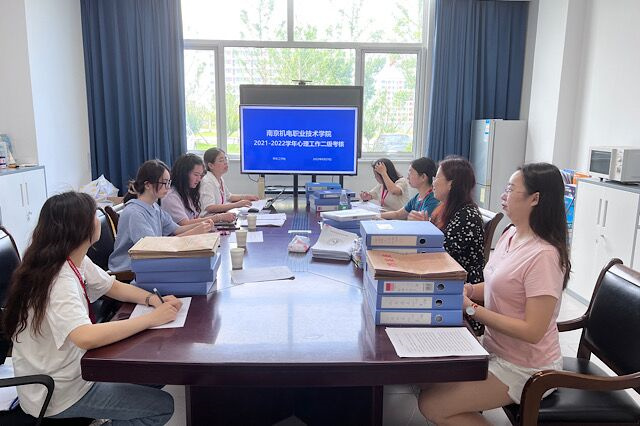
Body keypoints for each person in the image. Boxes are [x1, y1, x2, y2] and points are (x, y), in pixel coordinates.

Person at [3, 191, 180, 424]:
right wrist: (151, 319)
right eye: (93, 216)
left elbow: (112, 286)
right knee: (161, 406)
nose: (98, 219)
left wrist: (152, 299)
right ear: (80, 228)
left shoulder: (71, 259)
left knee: (156, 375)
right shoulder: (58, 280)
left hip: (77, 369)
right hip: (62, 391)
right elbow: (85, 337)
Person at [418, 163, 571, 426]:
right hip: (493, 348)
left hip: (526, 367)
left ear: (535, 198)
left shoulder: (544, 255)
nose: (503, 195)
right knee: (428, 378)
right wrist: (469, 289)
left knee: (432, 405)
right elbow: (498, 284)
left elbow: (532, 331)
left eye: (511, 189)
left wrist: (471, 308)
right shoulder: (511, 234)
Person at [108, 159, 213, 272]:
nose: (168, 187)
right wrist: (195, 231)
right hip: (129, 267)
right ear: (148, 185)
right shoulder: (135, 213)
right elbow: (153, 248)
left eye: (169, 183)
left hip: (147, 261)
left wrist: (202, 225)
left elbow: (176, 229)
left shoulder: (154, 206)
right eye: (164, 183)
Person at [430, 156, 485, 284]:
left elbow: (442, 251)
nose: (433, 183)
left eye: (437, 178)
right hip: (446, 272)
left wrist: (425, 228)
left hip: (462, 283)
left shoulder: (468, 216)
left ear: (451, 184)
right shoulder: (446, 208)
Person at [161, 153, 236, 225]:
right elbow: (185, 224)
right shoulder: (171, 196)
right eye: (196, 175)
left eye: (200, 175)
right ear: (184, 174)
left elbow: (195, 218)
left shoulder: (187, 192)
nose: (199, 179)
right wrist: (218, 218)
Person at [200, 148, 259, 214]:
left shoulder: (219, 178)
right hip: (209, 218)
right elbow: (210, 207)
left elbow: (229, 197)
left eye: (226, 159)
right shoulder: (207, 182)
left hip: (220, 216)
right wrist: (236, 205)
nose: (225, 162)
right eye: (221, 160)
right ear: (211, 165)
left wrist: (247, 197)